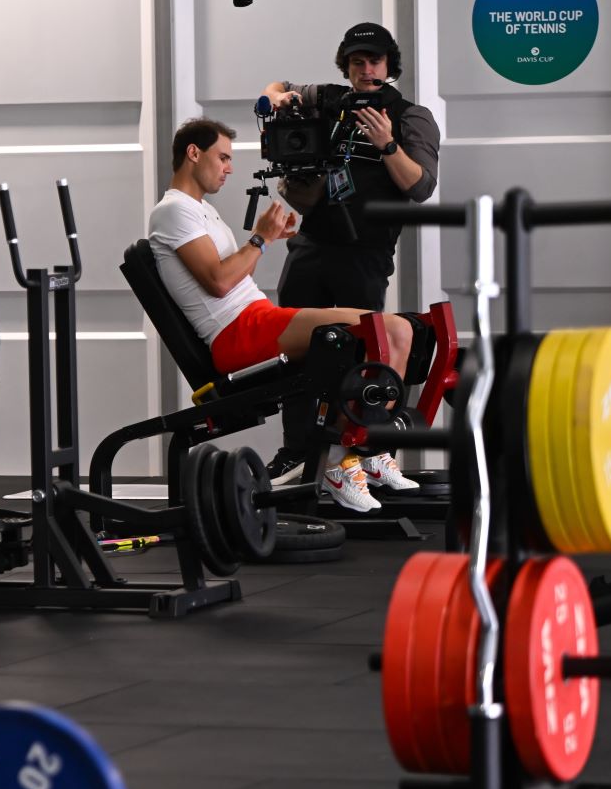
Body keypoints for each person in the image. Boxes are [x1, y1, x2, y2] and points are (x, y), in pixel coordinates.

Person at [148, 118, 415, 513]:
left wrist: (266, 240)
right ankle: (344, 461)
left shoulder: (200, 210)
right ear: (193, 153)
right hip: (236, 334)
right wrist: (260, 238)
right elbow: (219, 284)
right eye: (222, 157)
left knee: (397, 332)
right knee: (386, 329)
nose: (229, 167)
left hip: (256, 317)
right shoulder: (172, 212)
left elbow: (236, 275)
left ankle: (364, 452)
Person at [258, 22, 440, 488]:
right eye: (357, 62)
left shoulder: (412, 116)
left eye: (374, 62)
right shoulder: (329, 98)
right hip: (311, 246)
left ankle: (360, 455)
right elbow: (276, 86)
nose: (365, 70)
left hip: (365, 252)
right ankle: (296, 450)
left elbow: (419, 186)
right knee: (296, 352)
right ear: (347, 65)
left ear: (389, 66)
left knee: (364, 353)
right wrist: (279, 97)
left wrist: (387, 144)